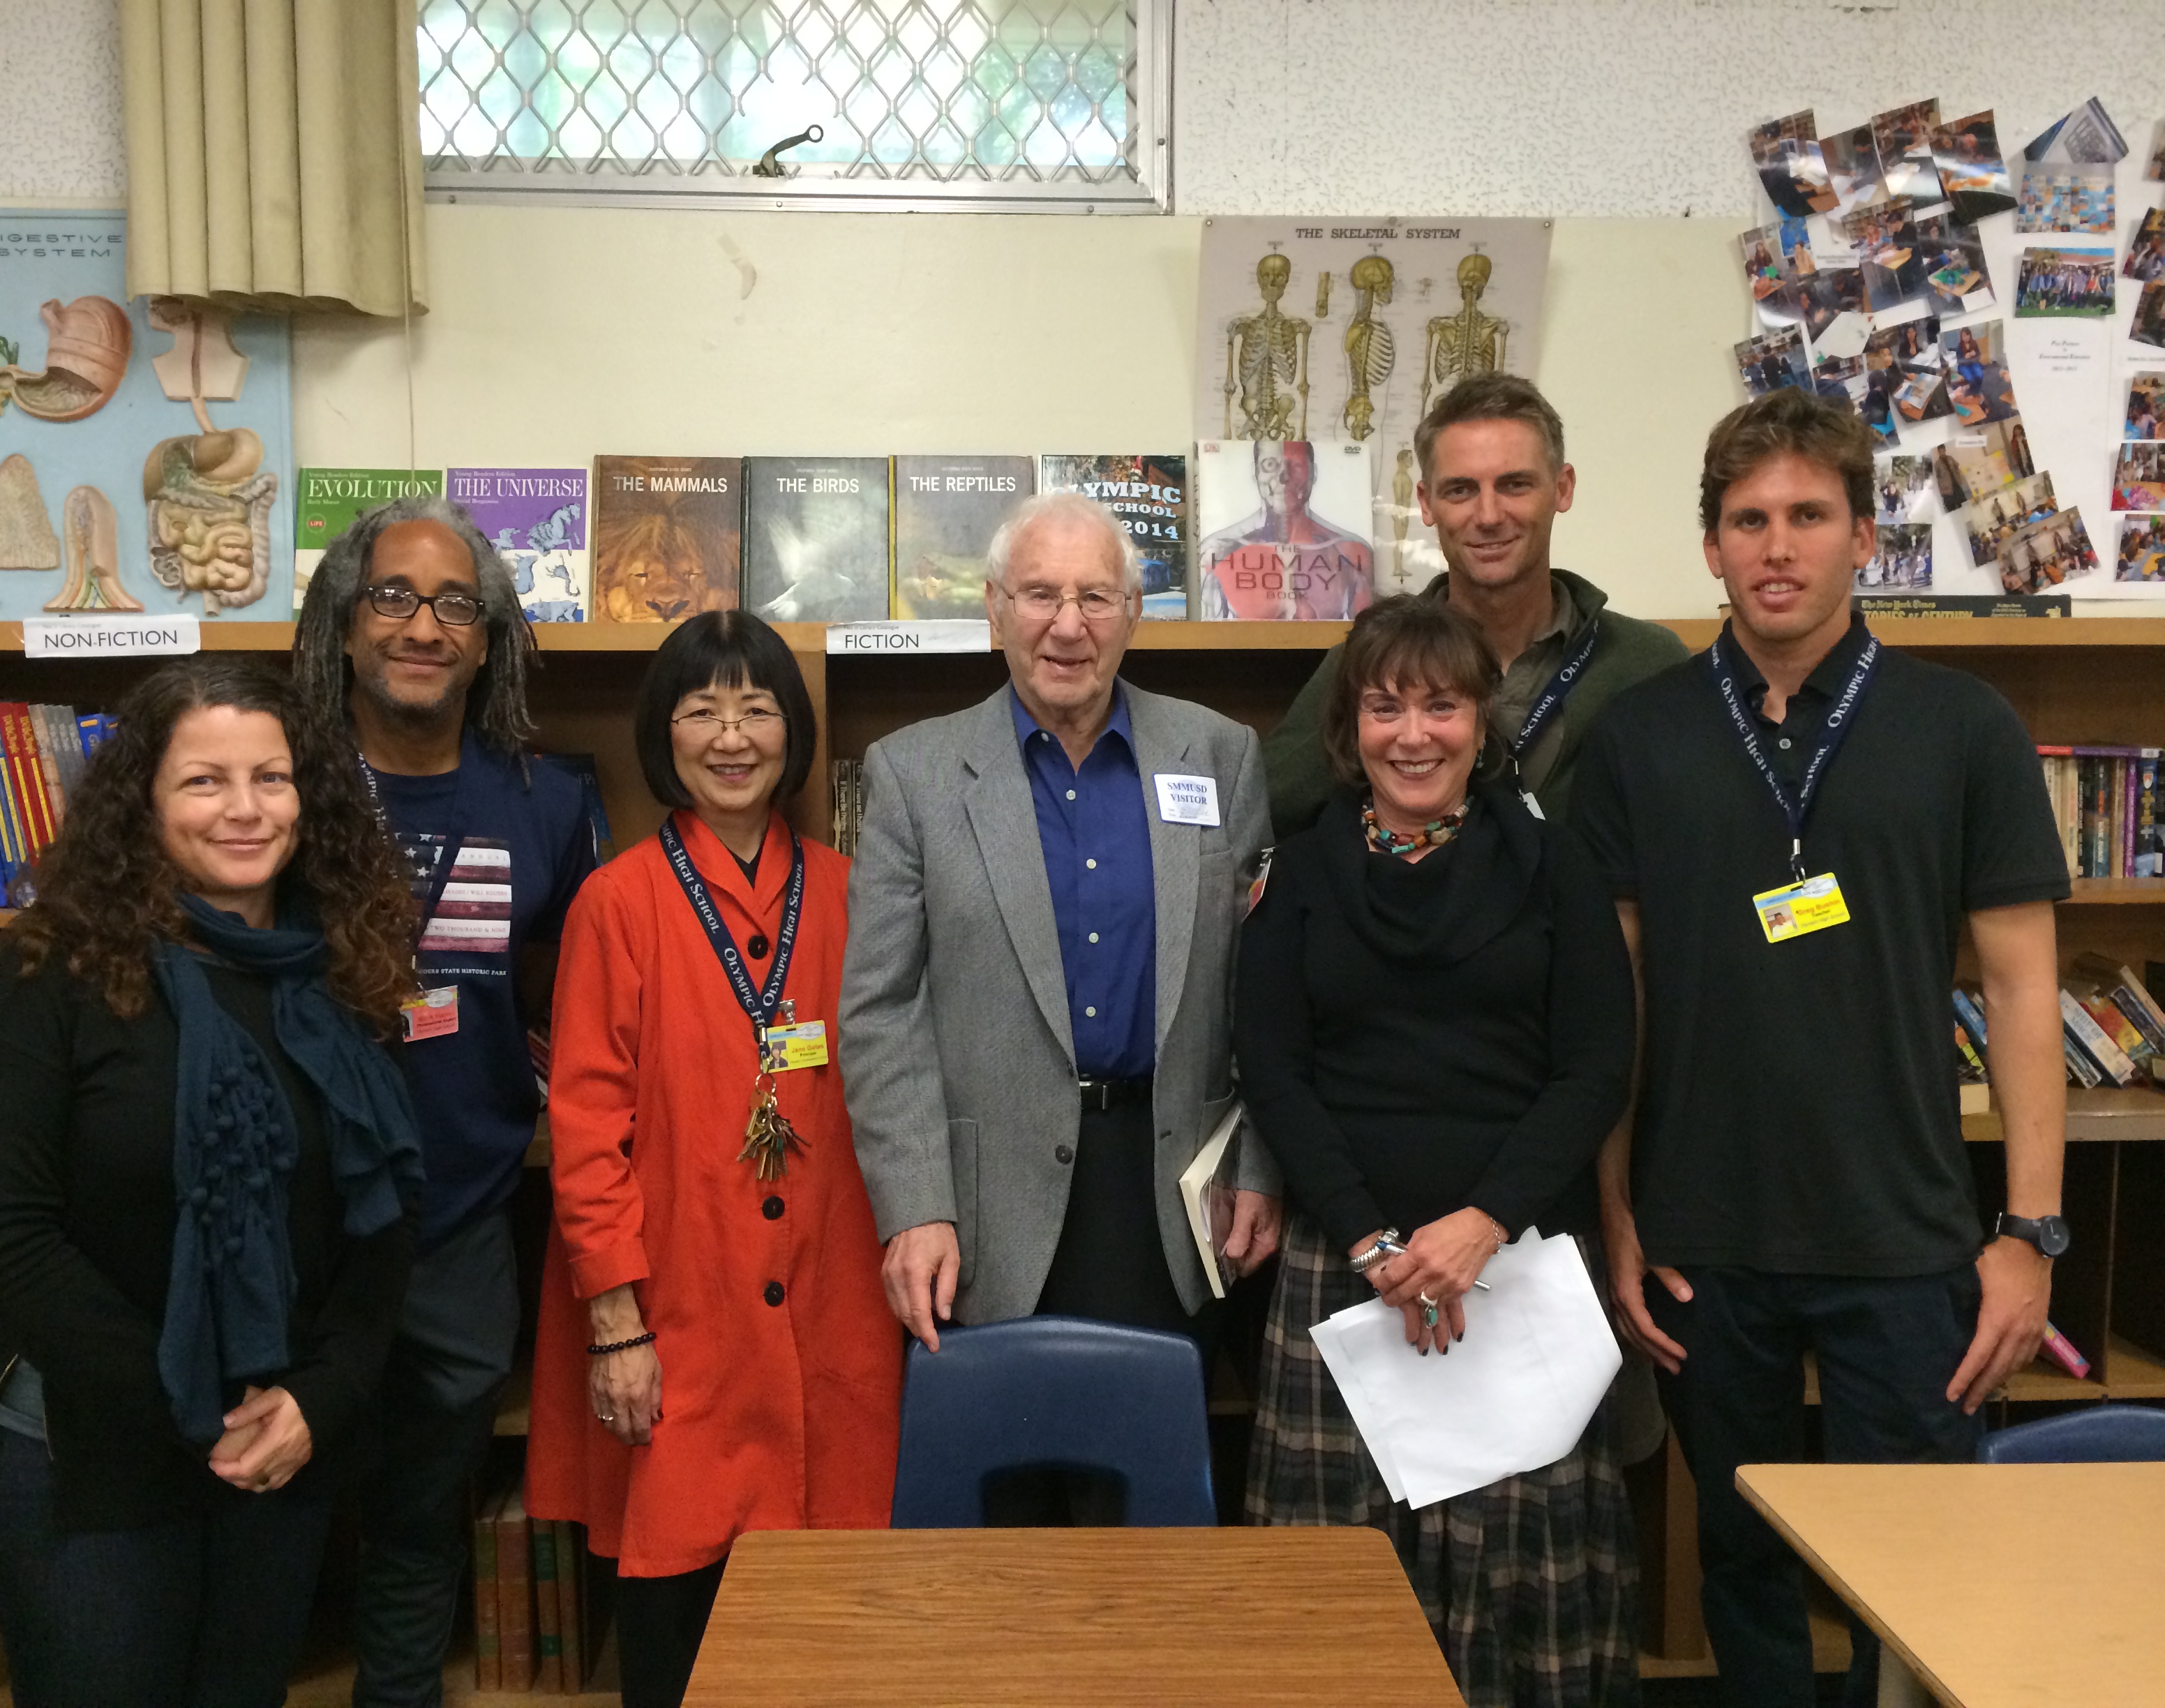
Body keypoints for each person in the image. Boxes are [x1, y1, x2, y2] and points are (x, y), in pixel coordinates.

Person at [1573, 387, 2069, 1708]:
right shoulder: (1639, 736)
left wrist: (2030, 1232)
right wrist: (1615, 1212)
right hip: (1700, 1238)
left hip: (1901, 1236)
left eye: (1807, 515)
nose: (1777, 546)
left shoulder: (1961, 727)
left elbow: (2024, 990)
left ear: (1863, 537)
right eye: (1748, 521)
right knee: (1739, 1561)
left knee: (1914, 1577)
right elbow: (1613, 1001)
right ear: (1711, 545)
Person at [0, 657, 422, 1707]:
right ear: (143, 805)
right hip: (86, 1458)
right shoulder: (52, 972)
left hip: (276, 1453)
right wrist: (189, 1405)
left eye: (271, 778)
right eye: (205, 781)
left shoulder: (341, 973)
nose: (245, 809)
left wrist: (319, 1398)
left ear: (308, 796)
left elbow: (383, 1224)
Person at [1236, 597, 1640, 1707]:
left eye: (1441, 707)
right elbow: (1274, 1071)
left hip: (1513, 1264)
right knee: (1337, 1610)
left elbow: (1595, 1067)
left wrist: (1481, 1225)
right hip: (1346, 1271)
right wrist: (1371, 1238)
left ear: (1480, 720)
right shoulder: (1295, 875)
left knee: (1518, 1596)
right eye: (1385, 708)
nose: (1413, 735)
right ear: (1348, 729)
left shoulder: (1554, 864)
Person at [526, 612, 898, 1707]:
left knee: (837, 1634)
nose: (731, 737)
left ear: (793, 733)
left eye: (757, 709)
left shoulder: (853, 892)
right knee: (679, 1628)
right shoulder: (618, 902)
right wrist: (617, 1325)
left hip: (835, 1308)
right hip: (677, 1319)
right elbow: (584, 1131)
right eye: (701, 712)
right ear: (664, 735)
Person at [842, 490, 1282, 1374]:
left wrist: (1262, 1166)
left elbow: (1265, 993)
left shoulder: (1219, 754)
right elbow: (880, 1014)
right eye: (1041, 594)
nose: (1068, 626)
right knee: (1005, 1462)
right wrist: (915, 1204)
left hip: (1175, 1200)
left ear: (1134, 613)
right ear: (996, 608)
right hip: (981, 1213)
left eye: (1096, 597)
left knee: (1155, 1458)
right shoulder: (914, 774)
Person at [293, 496, 597, 1707]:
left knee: (420, 1516)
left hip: (461, 1219)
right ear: (345, 623)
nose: (423, 626)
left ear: (488, 642)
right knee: (270, 1502)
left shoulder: (549, 803)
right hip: (297, 1220)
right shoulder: (283, 784)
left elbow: (568, 986)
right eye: (393, 596)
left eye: (454, 604)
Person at [1262, 374, 1687, 840]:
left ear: (1562, 488)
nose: (1488, 516)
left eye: (1515, 485)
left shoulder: (1645, 661)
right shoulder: (1366, 660)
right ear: (1426, 502)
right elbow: (1265, 809)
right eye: (1460, 490)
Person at [1199, 440, 1377, 620]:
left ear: (1313, 473)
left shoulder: (1352, 554)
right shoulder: (1219, 552)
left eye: (1297, 466)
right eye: (1270, 465)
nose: (1283, 477)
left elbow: (1365, 634)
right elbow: (1209, 632)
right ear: (1256, 473)